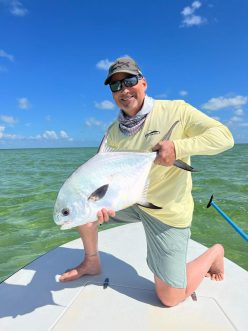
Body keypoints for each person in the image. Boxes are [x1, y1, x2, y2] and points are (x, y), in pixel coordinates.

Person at [59, 56, 234, 307]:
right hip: (131, 199)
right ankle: (91, 260)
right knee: (81, 212)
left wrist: (178, 147)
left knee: (170, 297)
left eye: (129, 81)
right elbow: (102, 174)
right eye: (115, 86)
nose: (123, 90)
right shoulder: (113, 132)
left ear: (143, 82)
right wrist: (102, 205)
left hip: (166, 211)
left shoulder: (176, 111)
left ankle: (215, 252)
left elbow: (224, 137)